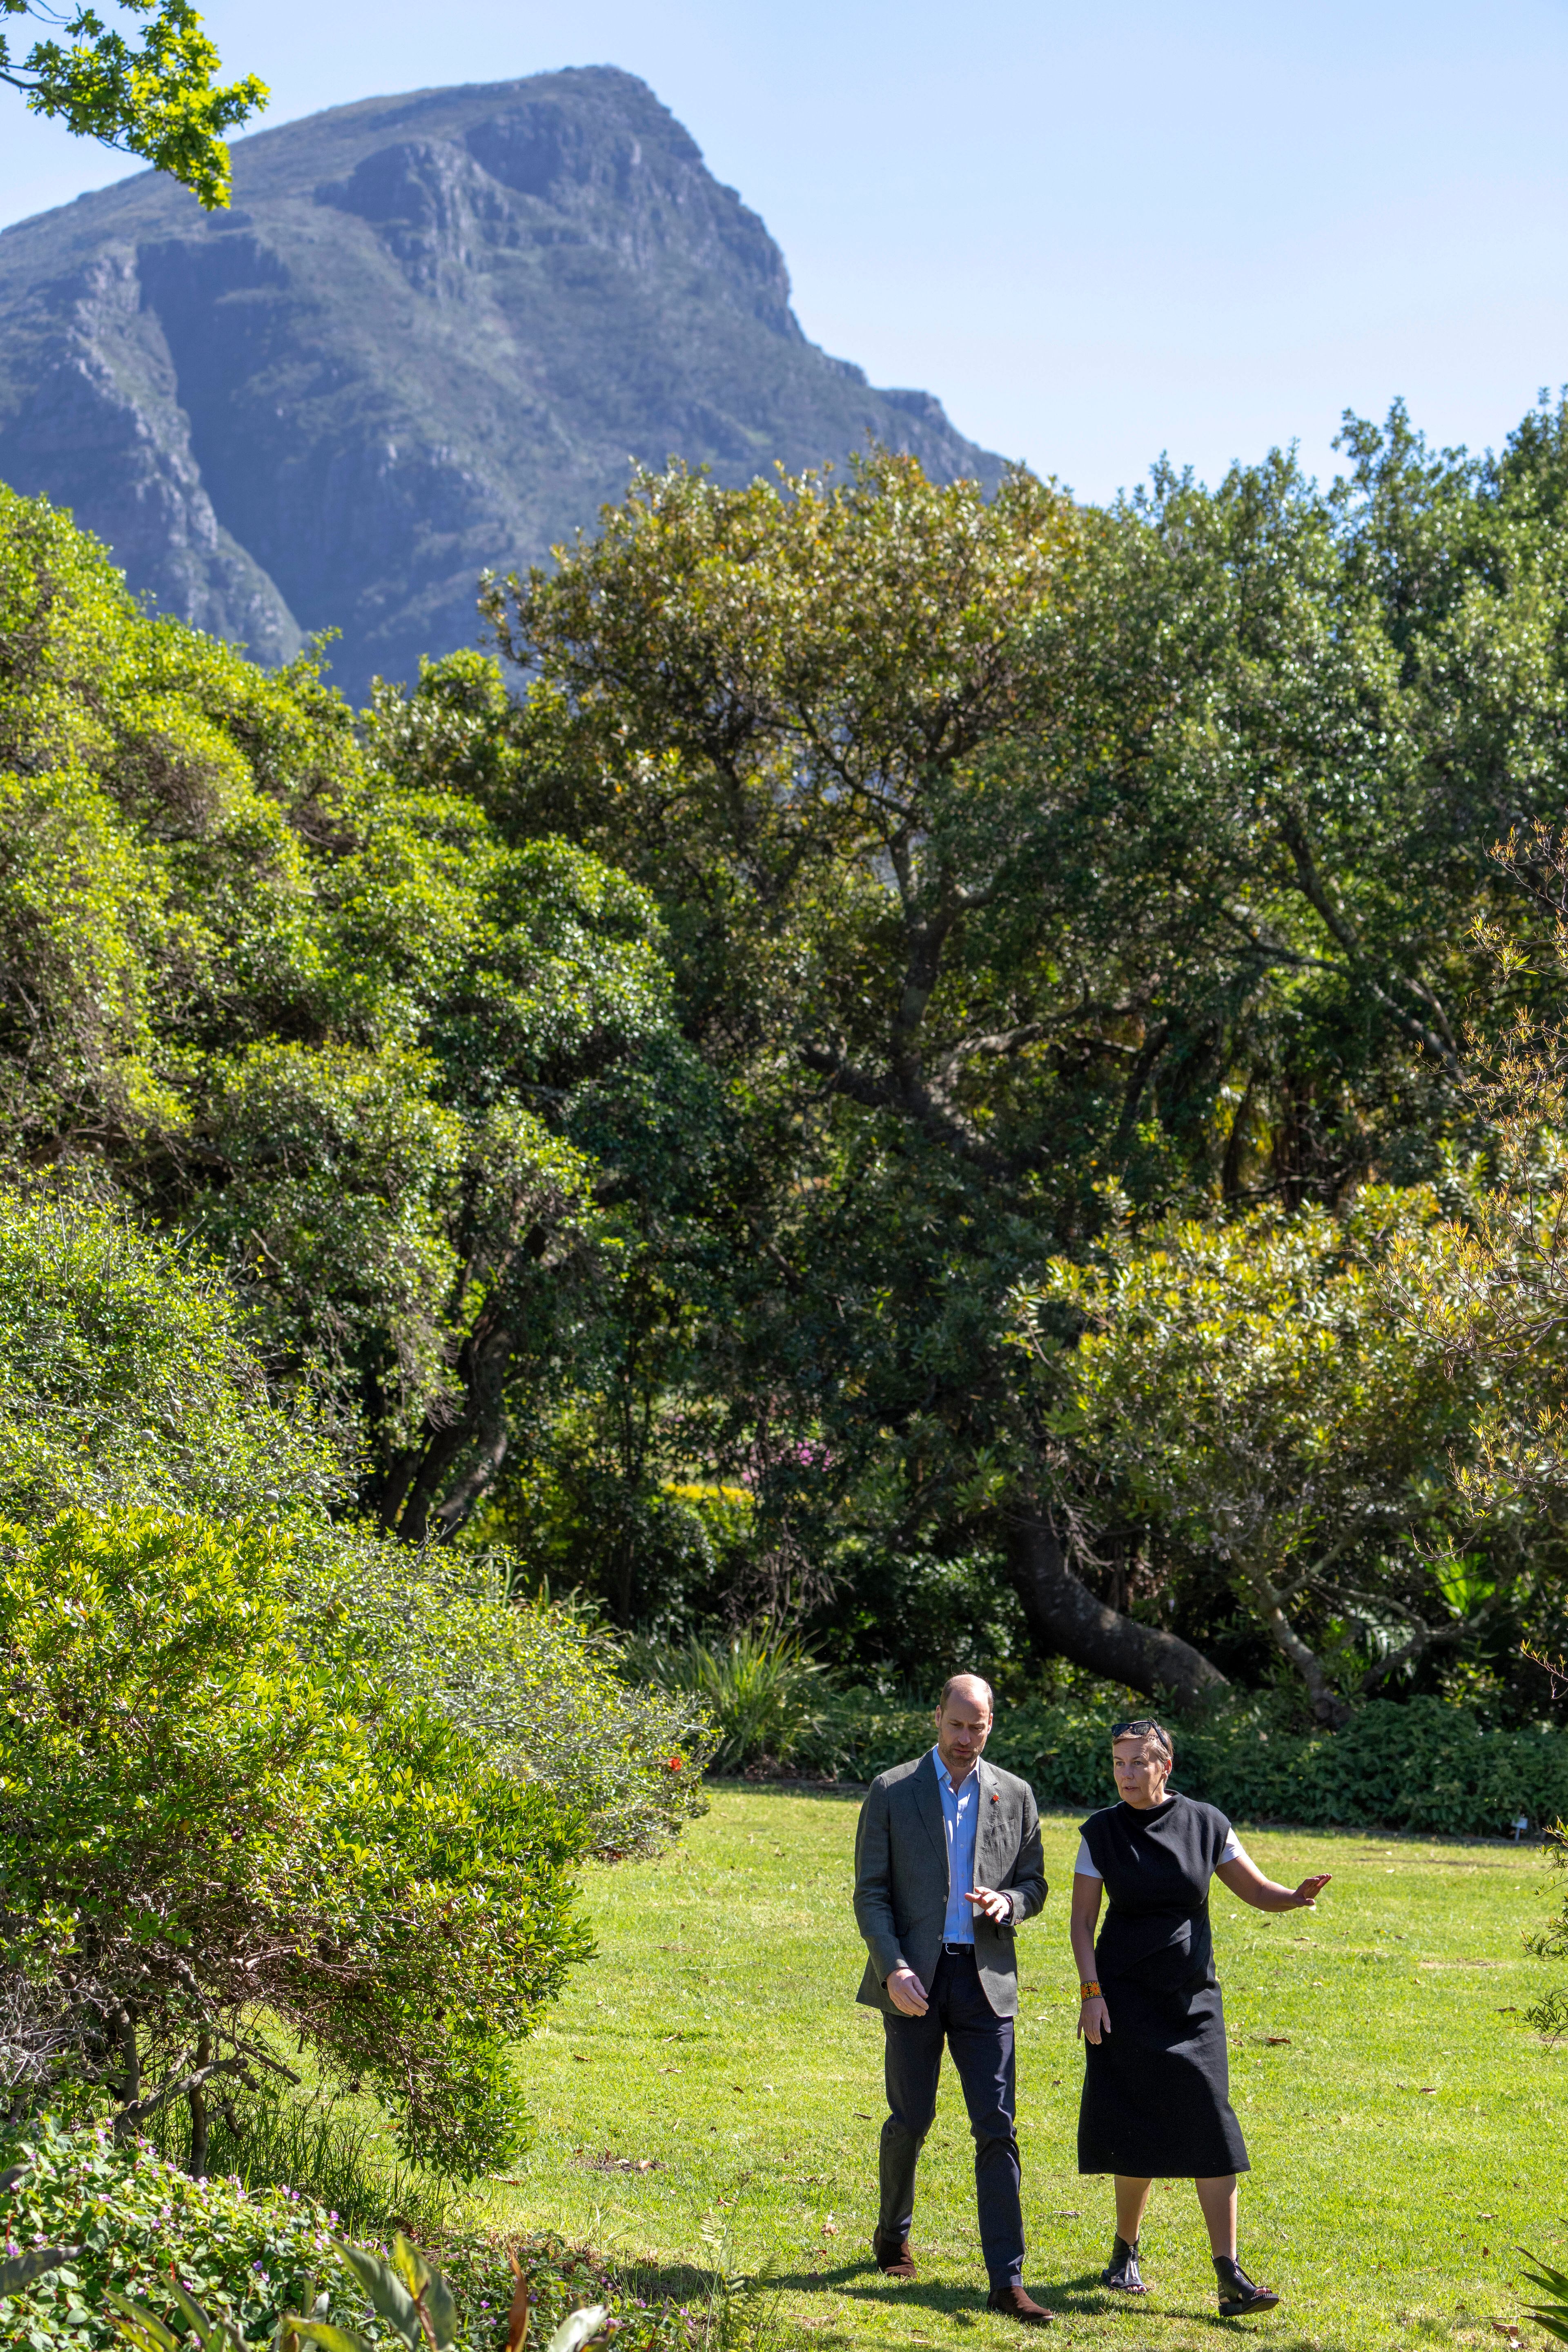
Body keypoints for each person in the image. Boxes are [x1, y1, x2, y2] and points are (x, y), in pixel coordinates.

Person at [1069, 1717, 1331, 2321]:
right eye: (1118, 1763)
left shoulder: (1207, 1823)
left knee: (1213, 2128)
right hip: (1124, 1999)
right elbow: (1083, 1924)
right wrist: (1091, 1993)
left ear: (1166, 1766)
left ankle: (1229, 2275)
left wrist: (1293, 1897)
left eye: (1138, 1763)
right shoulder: (1100, 1833)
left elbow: (1256, 1890)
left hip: (1192, 2004)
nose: (1126, 1774)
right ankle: (1124, 2253)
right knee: (1135, 2124)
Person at [852, 1673, 1052, 2328]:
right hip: (915, 1978)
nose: (968, 1738)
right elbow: (872, 1895)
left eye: (980, 1726)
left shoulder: (1015, 1795)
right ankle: (892, 2233)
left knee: (997, 2127)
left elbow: (1034, 1883)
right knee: (911, 2119)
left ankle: (1007, 2280)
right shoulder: (891, 1791)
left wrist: (1011, 1903)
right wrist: (894, 1969)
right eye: (957, 1725)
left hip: (985, 1983)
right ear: (936, 1717)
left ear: (993, 1723)